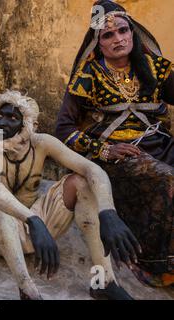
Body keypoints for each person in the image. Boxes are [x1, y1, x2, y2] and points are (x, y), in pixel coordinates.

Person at [0, 90, 140, 300]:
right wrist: (33, 221)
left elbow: (91, 169)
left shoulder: (41, 143)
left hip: (33, 228)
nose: (3, 123)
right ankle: (27, 290)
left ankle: (104, 281)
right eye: (1, 116)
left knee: (81, 183)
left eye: (13, 118)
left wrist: (108, 212)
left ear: (27, 124)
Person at [55, 0, 173, 287]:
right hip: (118, 155)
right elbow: (63, 129)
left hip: (161, 144)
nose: (118, 39)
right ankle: (159, 266)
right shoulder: (89, 74)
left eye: (123, 30)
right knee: (168, 180)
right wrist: (103, 150)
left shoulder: (155, 67)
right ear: (98, 42)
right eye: (108, 35)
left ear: (132, 32)